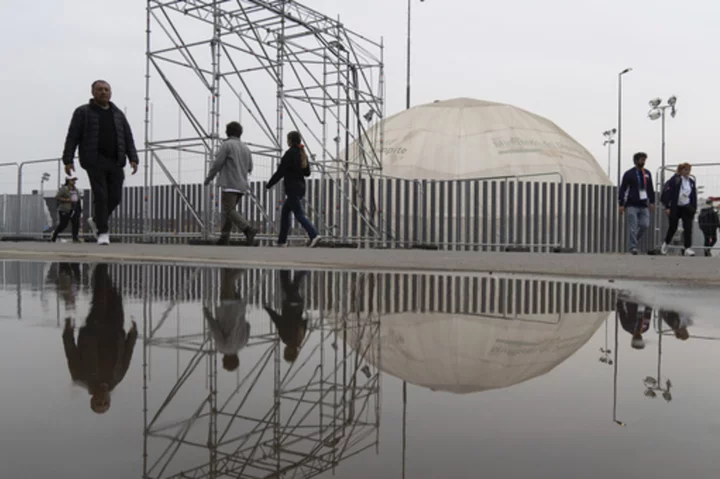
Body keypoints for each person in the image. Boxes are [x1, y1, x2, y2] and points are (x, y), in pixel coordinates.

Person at [62, 80, 139, 246]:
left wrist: (133, 157)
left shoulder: (118, 114)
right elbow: (72, 136)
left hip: (116, 161)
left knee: (115, 197)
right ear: (93, 93)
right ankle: (103, 232)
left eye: (106, 90)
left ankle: (96, 219)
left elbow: (127, 137)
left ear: (110, 93)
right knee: (101, 195)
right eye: (99, 90)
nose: (103, 92)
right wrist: (68, 159)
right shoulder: (83, 112)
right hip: (94, 160)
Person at [62, 263, 137, 414]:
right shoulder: (116, 378)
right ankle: (100, 269)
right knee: (115, 296)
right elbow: (127, 356)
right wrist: (133, 334)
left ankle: (101, 266)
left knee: (101, 296)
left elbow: (71, 352)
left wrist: (68, 331)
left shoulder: (81, 377)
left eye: (99, 402)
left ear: (92, 399)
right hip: (115, 329)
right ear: (109, 400)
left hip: (94, 329)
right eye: (105, 403)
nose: (102, 400)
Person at [204, 122, 258, 246]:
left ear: (227, 132)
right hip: (242, 185)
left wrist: (209, 178)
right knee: (229, 211)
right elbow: (250, 168)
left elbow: (217, 164)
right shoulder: (246, 148)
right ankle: (224, 237)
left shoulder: (226, 145)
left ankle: (248, 229)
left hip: (229, 183)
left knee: (228, 209)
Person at [266, 131, 321, 247]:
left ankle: (314, 235)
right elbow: (307, 173)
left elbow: (281, 171)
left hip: (292, 188)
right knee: (285, 212)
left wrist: (269, 184)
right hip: (301, 187)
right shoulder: (302, 153)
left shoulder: (289, 153)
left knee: (299, 214)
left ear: (290, 140)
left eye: (287, 139)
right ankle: (282, 241)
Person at [202, 268, 251, 372]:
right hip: (227, 309)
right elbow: (215, 330)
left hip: (239, 308)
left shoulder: (243, 343)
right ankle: (247, 265)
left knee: (226, 278)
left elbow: (248, 325)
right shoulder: (222, 347)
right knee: (229, 280)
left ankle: (231, 258)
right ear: (225, 359)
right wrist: (206, 313)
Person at [264, 270, 309, 362]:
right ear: (290, 352)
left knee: (290, 285)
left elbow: (304, 323)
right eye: (286, 353)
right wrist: (268, 309)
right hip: (290, 306)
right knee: (287, 284)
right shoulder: (286, 338)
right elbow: (278, 320)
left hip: (298, 306)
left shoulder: (299, 339)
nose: (284, 351)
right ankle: (296, 271)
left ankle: (294, 272)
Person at [618, 152, 655, 255]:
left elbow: (650, 188)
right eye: (641, 160)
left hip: (644, 205)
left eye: (644, 160)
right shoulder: (629, 174)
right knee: (632, 227)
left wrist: (652, 201)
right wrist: (621, 204)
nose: (643, 162)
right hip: (631, 205)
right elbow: (623, 189)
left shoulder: (647, 173)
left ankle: (633, 242)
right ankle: (633, 247)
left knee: (645, 225)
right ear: (636, 161)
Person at [660, 163, 697, 256]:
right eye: (685, 170)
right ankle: (666, 243)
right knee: (673, 227)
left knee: (688, 228)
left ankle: (687, 248)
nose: (687, 172)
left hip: (687, 207)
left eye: (688, 170)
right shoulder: (675, 180)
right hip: (675, 206)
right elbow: (667, 193)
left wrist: (694, 208)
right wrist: (667, 207)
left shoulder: (691, 182)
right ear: (680, 170)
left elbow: (693, 195)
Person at [51, 177, 82, 243]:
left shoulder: (76, 189)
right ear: (68, 181)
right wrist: (67, 200)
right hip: (65, 209)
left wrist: (79, 208)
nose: (74, 181)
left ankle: (75, 238)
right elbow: (57, 197)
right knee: (63, 224)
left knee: (76, 224)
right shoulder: (64, 189)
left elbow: (78, 199)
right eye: (72, 180)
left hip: (74, 209)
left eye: (74, 180)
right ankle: (54, 236)